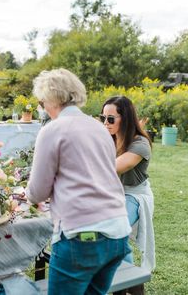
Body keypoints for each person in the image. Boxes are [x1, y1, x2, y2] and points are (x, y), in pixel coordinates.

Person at [26, 69, 131, 294]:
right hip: (118, 232)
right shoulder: (99, 128)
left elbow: (37, 192)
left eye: (41, 100)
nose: (42, 105)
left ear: (50, 98)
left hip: (83, 237)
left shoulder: (52, 130)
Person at [101, 96, 155, 272]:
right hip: (111, 193)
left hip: (134, 195)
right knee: (113, 235)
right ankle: (132, 285)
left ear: (126, 118)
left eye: (110, 119)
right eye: (103, 118)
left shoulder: (140, 143)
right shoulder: (109, 139)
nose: (106, 123)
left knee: (118, 229)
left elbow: (112, 168)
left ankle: (128, 282)